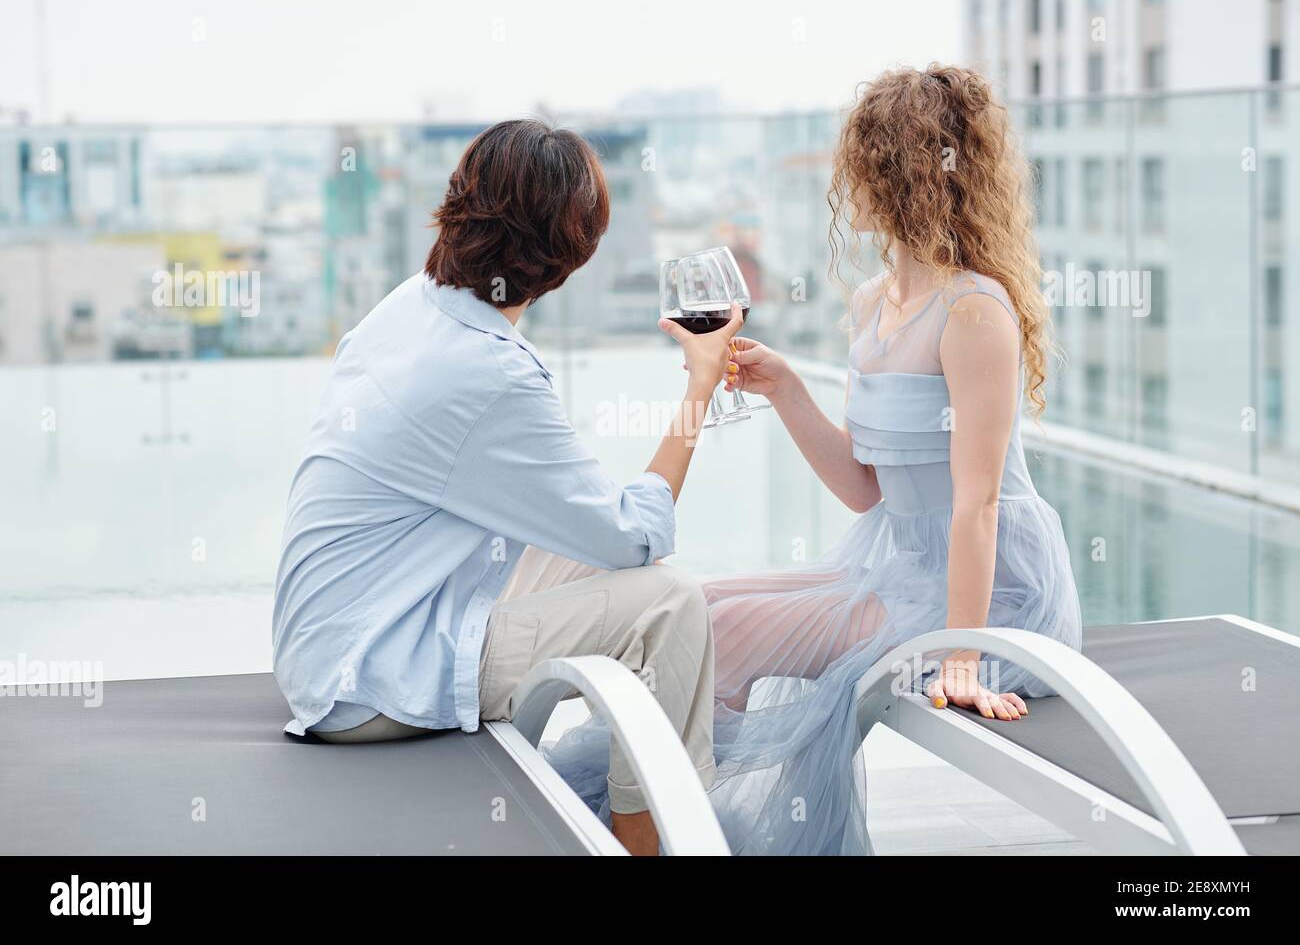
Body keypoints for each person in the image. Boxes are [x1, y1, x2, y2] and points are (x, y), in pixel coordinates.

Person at [545, 65, 1083, 855]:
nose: (848, 180)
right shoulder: (876, 304)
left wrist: (965, 657)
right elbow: (869, 494)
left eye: (862, 160)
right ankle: (659, 817)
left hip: (989, 591)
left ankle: (662, 829)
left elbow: (978, 506)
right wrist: (786, 388)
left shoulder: (974, 313)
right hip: (894, 559)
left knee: (722, 640)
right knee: (699, 609)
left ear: (894, 171)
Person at [271, 119, 741, 855]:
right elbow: (632, 534)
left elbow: (597, 537)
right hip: (373, 676)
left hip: (334, 644)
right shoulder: (489, 370)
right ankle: (652, 842)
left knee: (630, 576)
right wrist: (701, 383)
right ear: (572, 255)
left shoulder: (412, 304)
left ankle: (635, 811)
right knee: (671, 602)